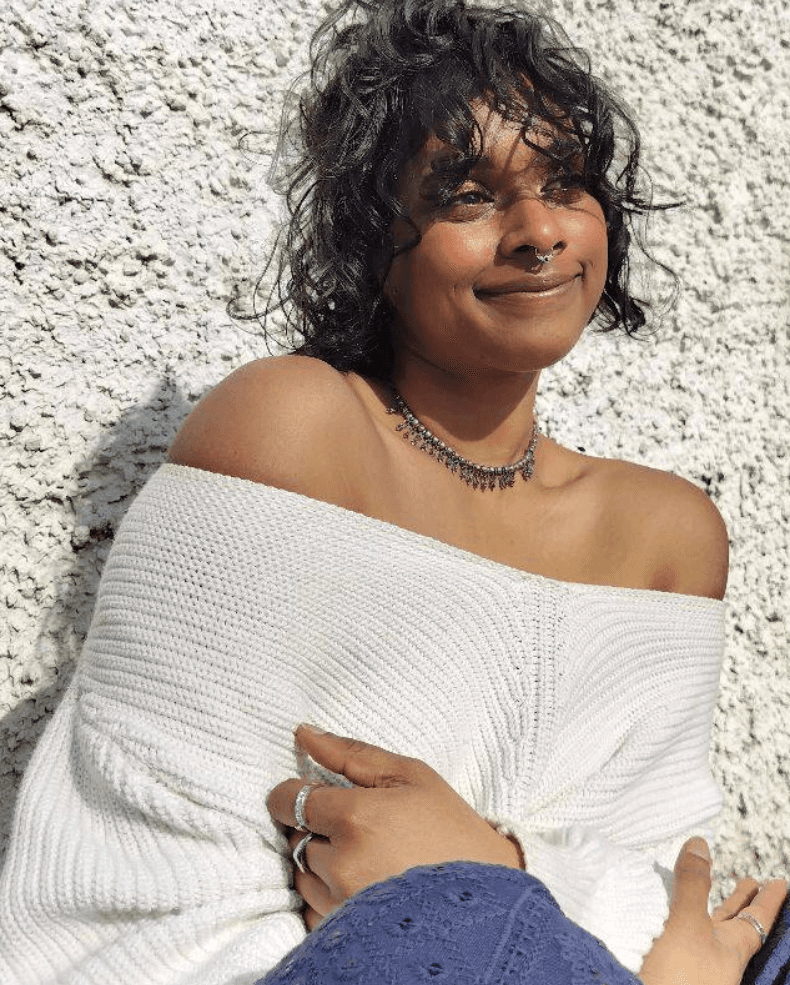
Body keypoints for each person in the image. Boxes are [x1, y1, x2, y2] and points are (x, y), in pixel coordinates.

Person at [0, 1, 772, 983]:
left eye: (564, 181)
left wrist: (489, 875)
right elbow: (146, 874)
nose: (539, 231)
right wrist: (459, 915)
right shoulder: (293, 432)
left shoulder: (667, 535)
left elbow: (673, 893)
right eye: (467, 195)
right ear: (374, 243)